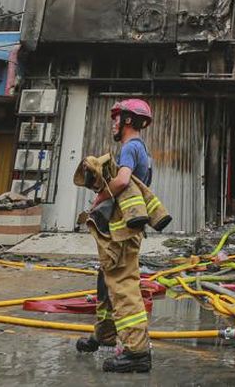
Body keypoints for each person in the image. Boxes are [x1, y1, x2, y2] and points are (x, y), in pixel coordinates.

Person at [75, 99, 157, 373]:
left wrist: (98, 198)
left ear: (128, 121)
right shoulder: (138, 149)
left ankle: (137, 352)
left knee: (122, 286)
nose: (114, 123)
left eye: (117, 118)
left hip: (123, 234)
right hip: (121, 231)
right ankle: (105, 335)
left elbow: (122, 181)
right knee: (106, 283)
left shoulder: (131, 147)